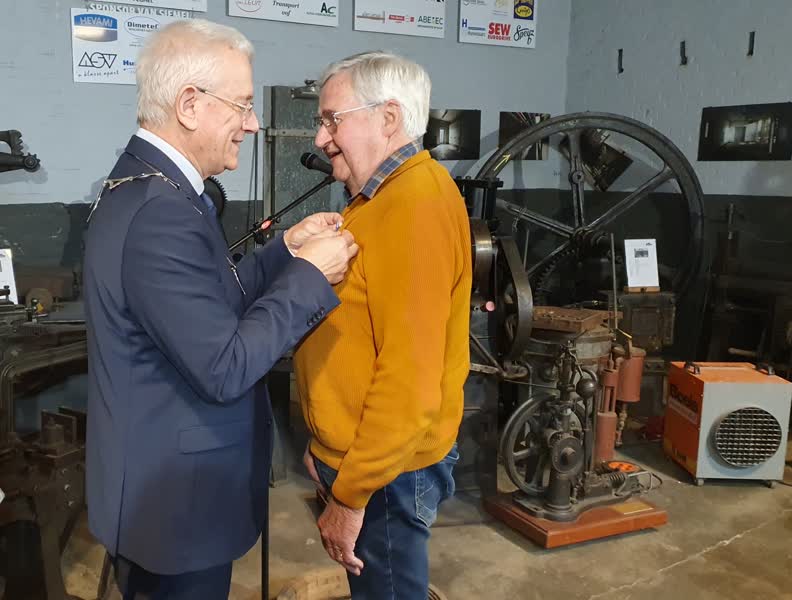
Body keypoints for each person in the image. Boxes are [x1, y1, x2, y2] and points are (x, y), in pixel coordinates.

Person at [82, 19, 357, 599]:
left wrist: (285, 250)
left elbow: (211, 300)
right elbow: (225, 364)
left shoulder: (153, 189)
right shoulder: (162, 213)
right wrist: (310, 277)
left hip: (166, 494)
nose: (253, 124)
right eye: (243, 105)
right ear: (189, 104)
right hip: (176, 511)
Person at [294, 51, 472, 599]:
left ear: (388, 119)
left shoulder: (413, 205)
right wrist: (325, 441)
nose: (323, 139)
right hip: (361, 461)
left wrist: (351, 496)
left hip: (387, 478)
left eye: (332, 120)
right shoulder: (376, 200)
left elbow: (408, 379)